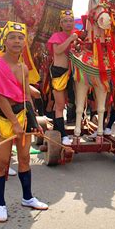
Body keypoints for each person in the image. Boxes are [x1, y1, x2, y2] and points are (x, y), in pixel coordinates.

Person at [0, 21, 48, 223]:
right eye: (12, 37)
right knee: (2, 162)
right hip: (4, 117)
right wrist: (15, 123)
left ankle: (27, 197)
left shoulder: (23, 67)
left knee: (25, 158)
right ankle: (0, 204)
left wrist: (34, 121)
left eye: (21, 37)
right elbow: (0, 97)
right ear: (5, 41)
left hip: (23, 115)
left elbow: (26, 96)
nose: (17, 41)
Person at [46, 10, 78, 145]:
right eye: (65, 21)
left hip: (73, 72)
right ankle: (63, 135)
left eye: (71, 20)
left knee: (73, 102)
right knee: (59, 105)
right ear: (61, 23)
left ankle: (58, 128)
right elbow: (57, 51)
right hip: (59, 72)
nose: (68, 23)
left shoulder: (77, 37)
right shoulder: (56, 36)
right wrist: (70, 39)